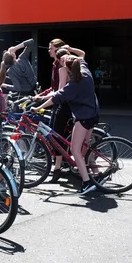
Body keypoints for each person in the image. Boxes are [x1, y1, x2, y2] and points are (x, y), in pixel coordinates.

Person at [31, 54, 100, 194]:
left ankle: (87, 183)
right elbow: (82, 56)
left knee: (75, 151)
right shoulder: (86, 72)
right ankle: (93, 170)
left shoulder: (73, 85)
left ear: (68, 70)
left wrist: (38, 108)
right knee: (84, 147)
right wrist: (69, 51)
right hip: (94, 114)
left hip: (84, 118)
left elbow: (55, 98)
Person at [34, 39, 85, 182]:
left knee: (56, 135)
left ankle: (57, 169)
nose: (48, 50)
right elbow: (53, 88)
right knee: (57, 134)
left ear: (57, 50)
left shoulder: (62, 67)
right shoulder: (56, 65)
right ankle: (61, 163)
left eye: (51, 48)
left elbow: (60, 91)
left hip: (64, 105)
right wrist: (40, 96)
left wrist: (41, 101)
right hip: (62, 103)